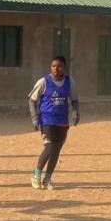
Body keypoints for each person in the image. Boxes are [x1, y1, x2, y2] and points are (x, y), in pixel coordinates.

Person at [28, 56, 80, 190]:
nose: (56, 68)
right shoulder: (43, 81)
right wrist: (34, 118)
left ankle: (47, 179)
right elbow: (32, 99)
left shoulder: (70, 82)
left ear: (64, 67)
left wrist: (75, 113)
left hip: (62, 121)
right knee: (50, 147)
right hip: (47, 120)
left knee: (56, 150)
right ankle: (36, 176)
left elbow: (74, 100)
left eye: (59, 66)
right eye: (53, 66)